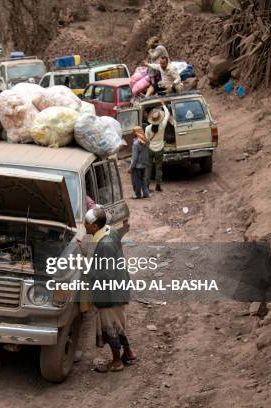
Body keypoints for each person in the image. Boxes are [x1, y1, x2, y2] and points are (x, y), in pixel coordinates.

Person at [84, 208, 136, 372]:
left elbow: (106, 273)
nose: (84, 226)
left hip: (110, 294)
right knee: (118, 325)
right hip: (119, 289)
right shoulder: (110, 231)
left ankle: (116, 361)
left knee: (111, 326)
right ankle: (128, 354)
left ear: (94, 226)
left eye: (86, 223)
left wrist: (86, 271)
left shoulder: (104, 244)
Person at [144, 99, 169, 192]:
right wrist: (163, 105)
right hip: (159, 149)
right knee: (159, 167)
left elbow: (146, 140)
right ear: (159, 119)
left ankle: (146, 186)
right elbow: (167, 115)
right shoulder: (162, 126)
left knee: (148, 168)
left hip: (150, 149)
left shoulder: (147, 128)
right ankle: (158, 185)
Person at [128, 126, 150, 199]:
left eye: (133, 132)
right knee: (143, 179)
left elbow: (134, 158)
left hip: (137, 166)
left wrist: (131, 167)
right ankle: (146, 193)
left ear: (135, 133)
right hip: (144, 164)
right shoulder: (147, 141)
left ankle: (138, 195)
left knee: (137, 181)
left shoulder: (135, 144)